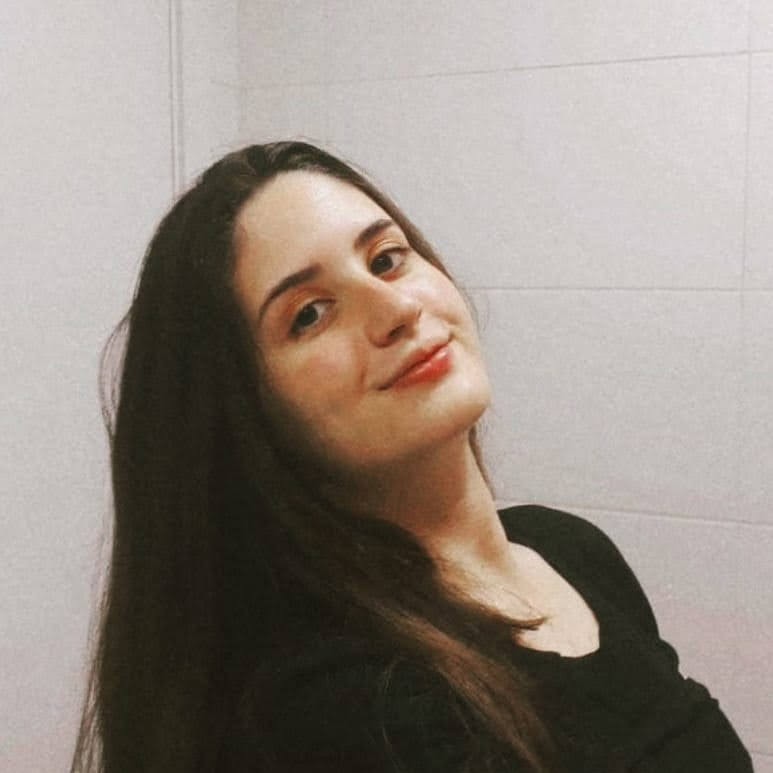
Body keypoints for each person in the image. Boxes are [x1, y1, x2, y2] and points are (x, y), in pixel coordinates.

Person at [72, 142, 752, 773]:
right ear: (246, 415)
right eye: (309, 313)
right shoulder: (345, 704)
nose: (394, 307)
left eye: (386, 259)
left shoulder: (572, 550)